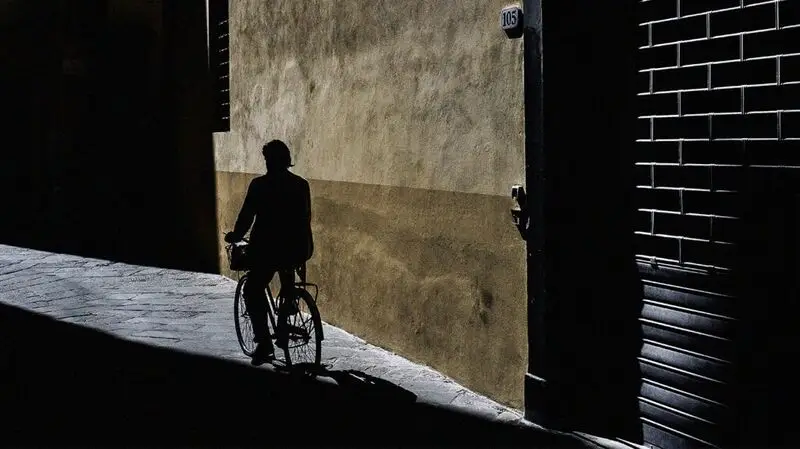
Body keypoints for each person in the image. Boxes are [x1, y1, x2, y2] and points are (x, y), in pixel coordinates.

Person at [224, 140, 314, 366]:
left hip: (267, 249)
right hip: (297, 248)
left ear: (270, 161)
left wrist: (236, 234)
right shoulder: (301, 184)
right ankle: (286, 312)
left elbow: (247, 215)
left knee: (253, 290)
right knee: (287, 278)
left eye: (267, 159)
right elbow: (305, 217)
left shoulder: (260, 185)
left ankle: (264, 344)